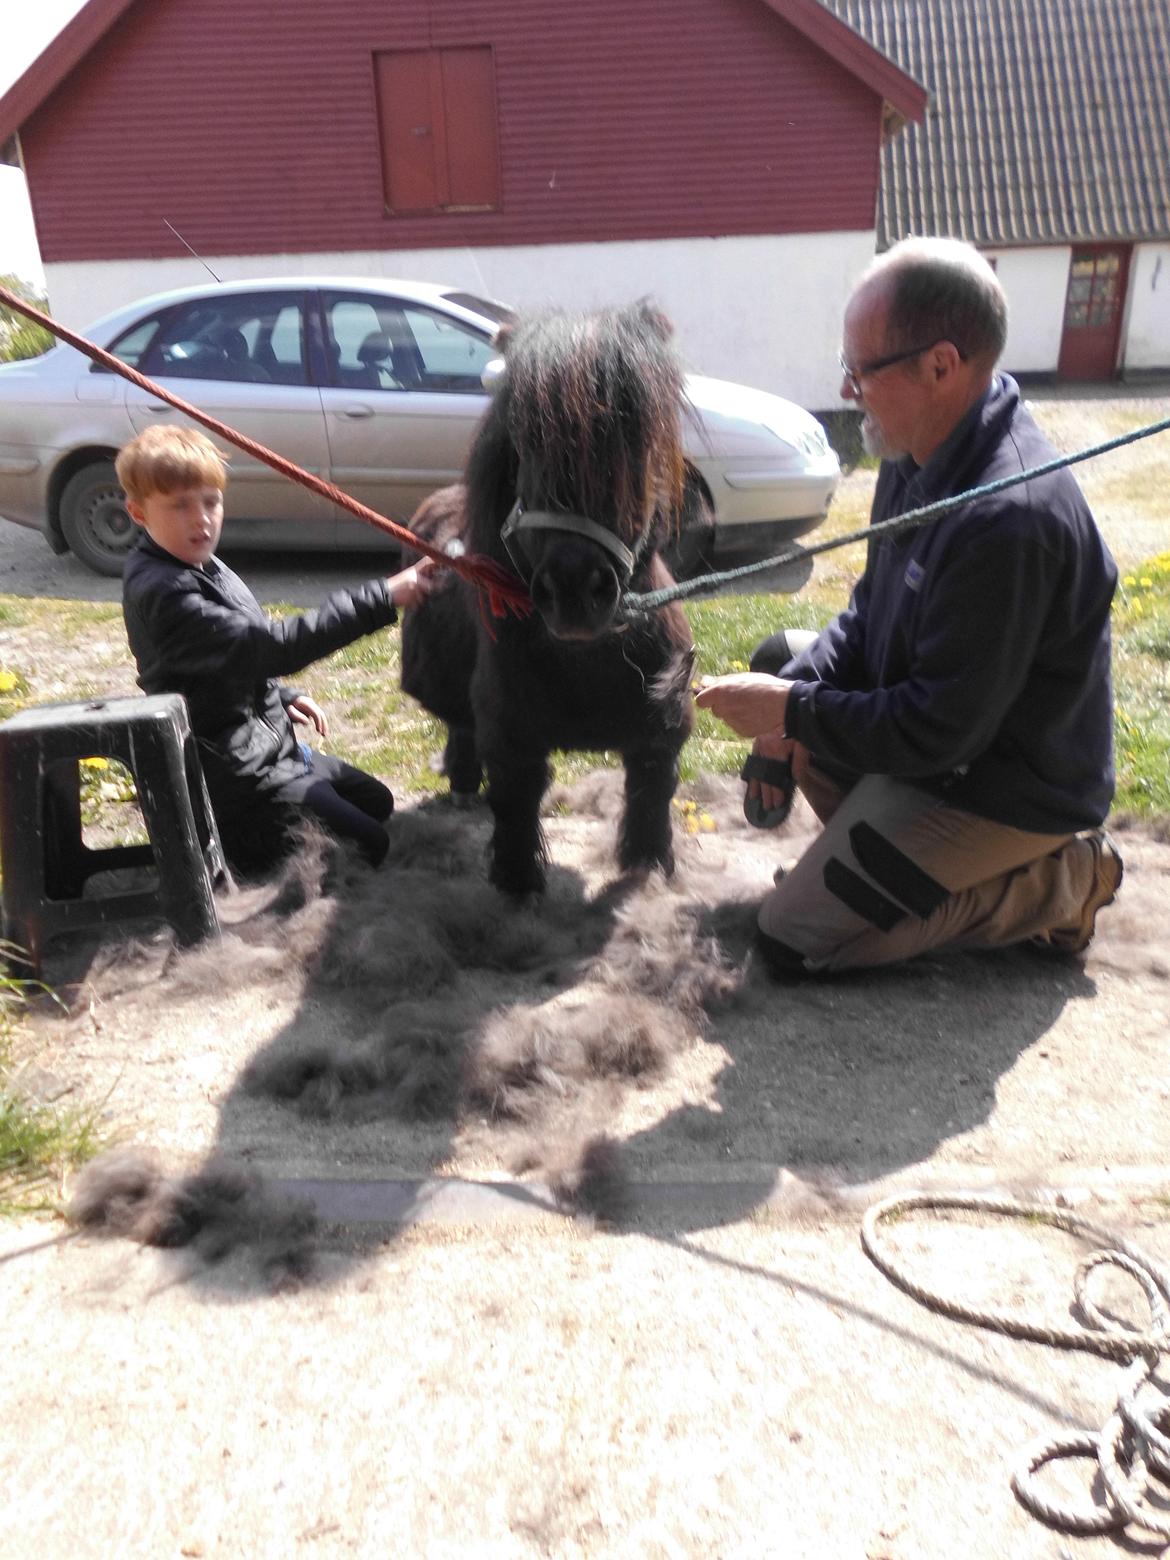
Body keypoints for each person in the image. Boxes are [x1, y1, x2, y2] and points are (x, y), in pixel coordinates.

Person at [696, 237, 1122, 976]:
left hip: (1006, 785)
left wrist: (793, 713)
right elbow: (867, 615)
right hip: (947, 743)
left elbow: (937, 732)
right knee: (788, 664)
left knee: (793, 938)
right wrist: (791, 698)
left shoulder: (1008, 520)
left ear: (941, 366)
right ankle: (888, 874)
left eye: (863, 370)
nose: (849, 388)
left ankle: (1061, 884)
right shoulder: (918, 446)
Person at [119, 423, 434, 876]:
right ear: (138, 512)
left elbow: (230, 655)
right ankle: (238, 842)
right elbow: (273, 646)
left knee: (377, 801)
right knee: (371, 842)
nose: (201, 519)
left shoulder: (197, 562)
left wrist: (282, 698)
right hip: (239, 780)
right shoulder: (164, 592)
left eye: (211, 501)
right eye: (180, 505)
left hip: (270, 751)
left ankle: (290, 802)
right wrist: (382, 597)